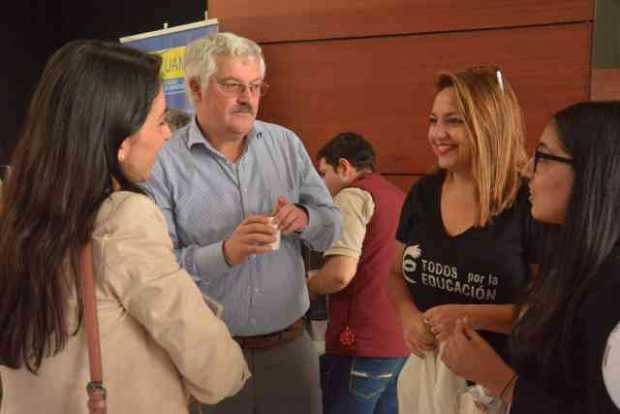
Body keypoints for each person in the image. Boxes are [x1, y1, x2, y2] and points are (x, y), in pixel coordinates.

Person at [0, 40, 249, 414]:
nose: (168, 134)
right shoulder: (125, 217)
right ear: (119, 139)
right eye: (161, 120)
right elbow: (214, 367)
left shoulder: (17, 212)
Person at [143, 32, 341, 414]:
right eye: (232, 85)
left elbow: (333, 226)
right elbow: (156, 270)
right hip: (208, 352)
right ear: (196, 89)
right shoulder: (164, 161)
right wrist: (225, 254)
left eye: (254, 86)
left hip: (290, 349)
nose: (248, 98)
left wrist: (305, 218)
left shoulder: (286, 144)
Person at [441, 101, 620, 413]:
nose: (526, 169)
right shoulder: (569, 261)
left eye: (543, 156)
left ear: (592, 170)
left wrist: (502, 382)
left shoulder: (610, 290)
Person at [388, 65, 539, 412]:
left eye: (454, 121)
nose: (437, 134)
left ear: (489, 124)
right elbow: (395, 273)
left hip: (503, 386)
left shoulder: (527, 202)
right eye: (433, 120)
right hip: (431, 381)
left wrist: (471, 315)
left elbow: (550, 309)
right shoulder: (423, 193)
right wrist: (408, 315)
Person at [309, 132, 409, 413]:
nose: (321, 184)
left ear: (343, 167)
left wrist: (309, 285)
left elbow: (340, 274)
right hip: (398, 342)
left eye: (323, 173)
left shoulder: (351, 196)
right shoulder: (397, 196)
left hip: (361, 343)